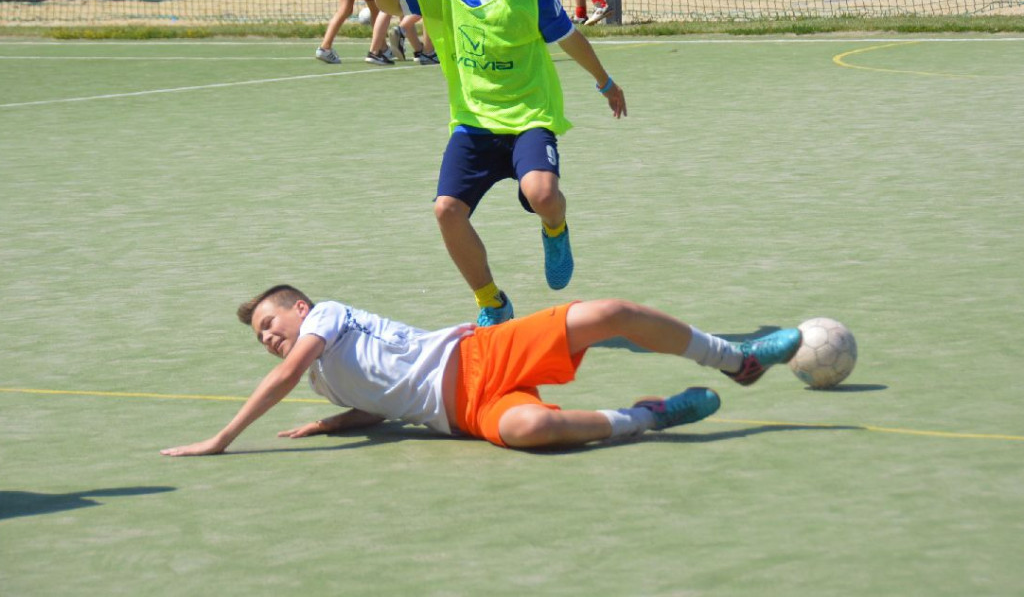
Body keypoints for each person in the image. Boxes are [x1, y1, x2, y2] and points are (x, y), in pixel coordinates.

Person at [354, 0, 627, 327]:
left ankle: (555, 230)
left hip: (529, 119)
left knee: (543, 196)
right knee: (446, 210)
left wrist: (605, 81)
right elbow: (396, 4)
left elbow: (571, 39)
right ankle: (491, 300)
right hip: (473, 124)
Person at [161, 284, 804, 456]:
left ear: (300, 310)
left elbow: (279, 381)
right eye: (261, 339)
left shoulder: (325, 317)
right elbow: (384, 403)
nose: (269, 340)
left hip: (475, 354)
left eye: (271, 326)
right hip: (461, 414)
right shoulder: (322, 377)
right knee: (529, 432)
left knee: (610, 311)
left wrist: (221, 439)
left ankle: (737, 359)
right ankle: (649, 416)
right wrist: (335, 423)